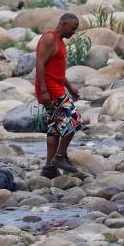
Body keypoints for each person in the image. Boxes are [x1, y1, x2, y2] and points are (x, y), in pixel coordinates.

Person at [35, 12, 86, 178]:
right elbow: (40, 64)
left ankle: (49, 168)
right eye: (72, 28)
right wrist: (43, 90)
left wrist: (70, 88)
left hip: (56, 86)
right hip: (50, 89)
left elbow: (57, 71)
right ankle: (60, 156)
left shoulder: (60, 42)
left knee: (54, 128)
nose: (74, 32)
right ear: (63, 24)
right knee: (74, 121)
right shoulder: (49, 38)